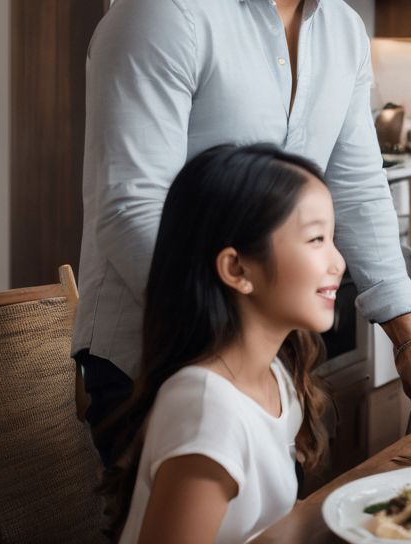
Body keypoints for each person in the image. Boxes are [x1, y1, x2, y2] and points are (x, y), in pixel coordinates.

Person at [72, 0, 411, 466]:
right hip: (153, 360)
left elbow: (356, 191)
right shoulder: (166, 8)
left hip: (271, 357)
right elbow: (131, 209)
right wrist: (243, 345)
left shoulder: (345, 36)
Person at [101, 144, 339, 543]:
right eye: (316, 239)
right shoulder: (208, 407)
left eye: (333, 238)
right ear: (237, 268)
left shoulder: (276, 376)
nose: (338, 261)